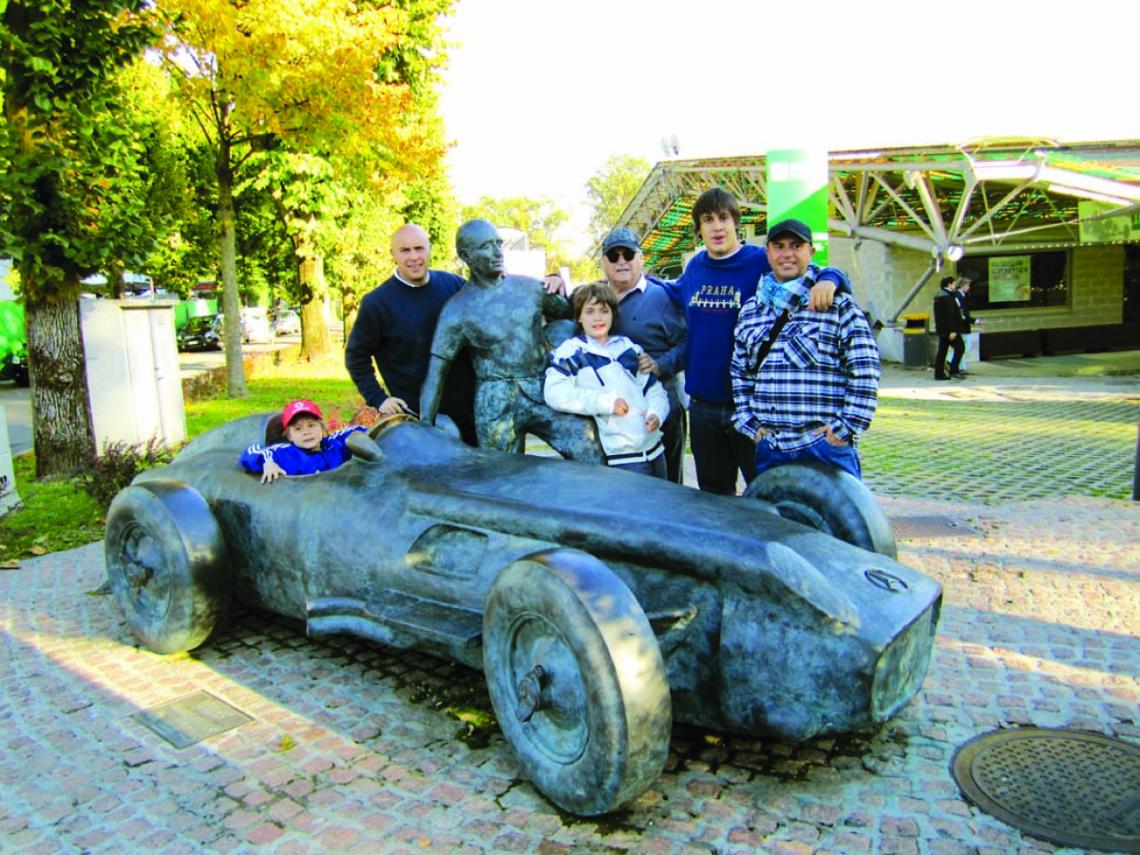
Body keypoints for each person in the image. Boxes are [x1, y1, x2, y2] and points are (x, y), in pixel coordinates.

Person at [659, 187, 851, 495]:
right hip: (704, 407)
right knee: (713, 497)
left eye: (723, 217)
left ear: (736, 222)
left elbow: (809, 269)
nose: (717, 226)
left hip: (754, 408)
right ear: (699, 229)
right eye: (708, 220)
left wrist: (833, 279)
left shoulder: (759, 261)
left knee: (764, 493)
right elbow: (663, 289)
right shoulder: (695, 267)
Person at [419, 219, 605, 462]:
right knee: (501, 477)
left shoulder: (530, 288)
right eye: (486, 246)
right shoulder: (456, 311)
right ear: (466, 256)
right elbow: (436, 373)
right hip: (495, 403)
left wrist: (558, 282)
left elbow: (574, 316)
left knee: (588, 448)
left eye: (499, 244)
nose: (497, 252)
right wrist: (424, 425)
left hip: (542, 388)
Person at [730, 219, 880, 480]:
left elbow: (865, 370)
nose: (787, 254)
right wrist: (750, 426)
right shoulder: (752, 311)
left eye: (796, 246)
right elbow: (741, 374)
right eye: (779, 246)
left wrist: (844, 430)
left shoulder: (838, 306)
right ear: (767, 252)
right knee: (775, 519)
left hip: (823, 448)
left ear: (810, 251)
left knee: (834, 521)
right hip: (771, 449)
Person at [344, 224, 479, 445]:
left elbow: (492, 296)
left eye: (419, 248)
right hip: (420, 422)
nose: (414, 257)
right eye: (405, 250)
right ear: (393, 255)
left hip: (470, 414)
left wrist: (553, 281)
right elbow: (356, 356)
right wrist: (378, 399)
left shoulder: (453, 285)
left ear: (429, 249)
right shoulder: (377, 303)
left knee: (482, 476)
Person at [544, 283, 670, 477]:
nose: (597, 318)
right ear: (578, 316)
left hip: (656, 449)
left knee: (662, 505)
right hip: (624, 458)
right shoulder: (571, 352)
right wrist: (607, 403)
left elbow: (654, 389)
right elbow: (555, 393)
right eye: (589, 311)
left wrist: (657, 414)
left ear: (613, 314)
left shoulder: (627, 347)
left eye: (604, 310)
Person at [596, 226, 688, 483]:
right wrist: (554, 277)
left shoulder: (662, 297)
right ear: (604, 262)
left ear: (641, 257)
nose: (622, 261)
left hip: (659, 407)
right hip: (612, 414)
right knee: (619, 489)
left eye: (628, 254)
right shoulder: (594, 299)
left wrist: (660, 365)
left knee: (667, 487)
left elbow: (687, 343)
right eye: (614, 256)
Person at [239, 399, 366, 483]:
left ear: (322, 427)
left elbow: (360, 431)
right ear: (289, 436)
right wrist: (267, 463)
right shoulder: (286, 454)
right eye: (298, 429)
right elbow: (253, 451)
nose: (306, 432)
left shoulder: (334, 444)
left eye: (311, 426)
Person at [933, 275, 965, 380]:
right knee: (960, 347)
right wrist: (953, 330)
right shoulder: (947, 297)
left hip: (942, 329)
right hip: (949, 330)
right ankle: (953, 370)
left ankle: (939, 373)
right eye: (954, 284)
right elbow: (950, 314)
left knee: (942, 351)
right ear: (949, 284)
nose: (955, 286)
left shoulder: (940, 295)